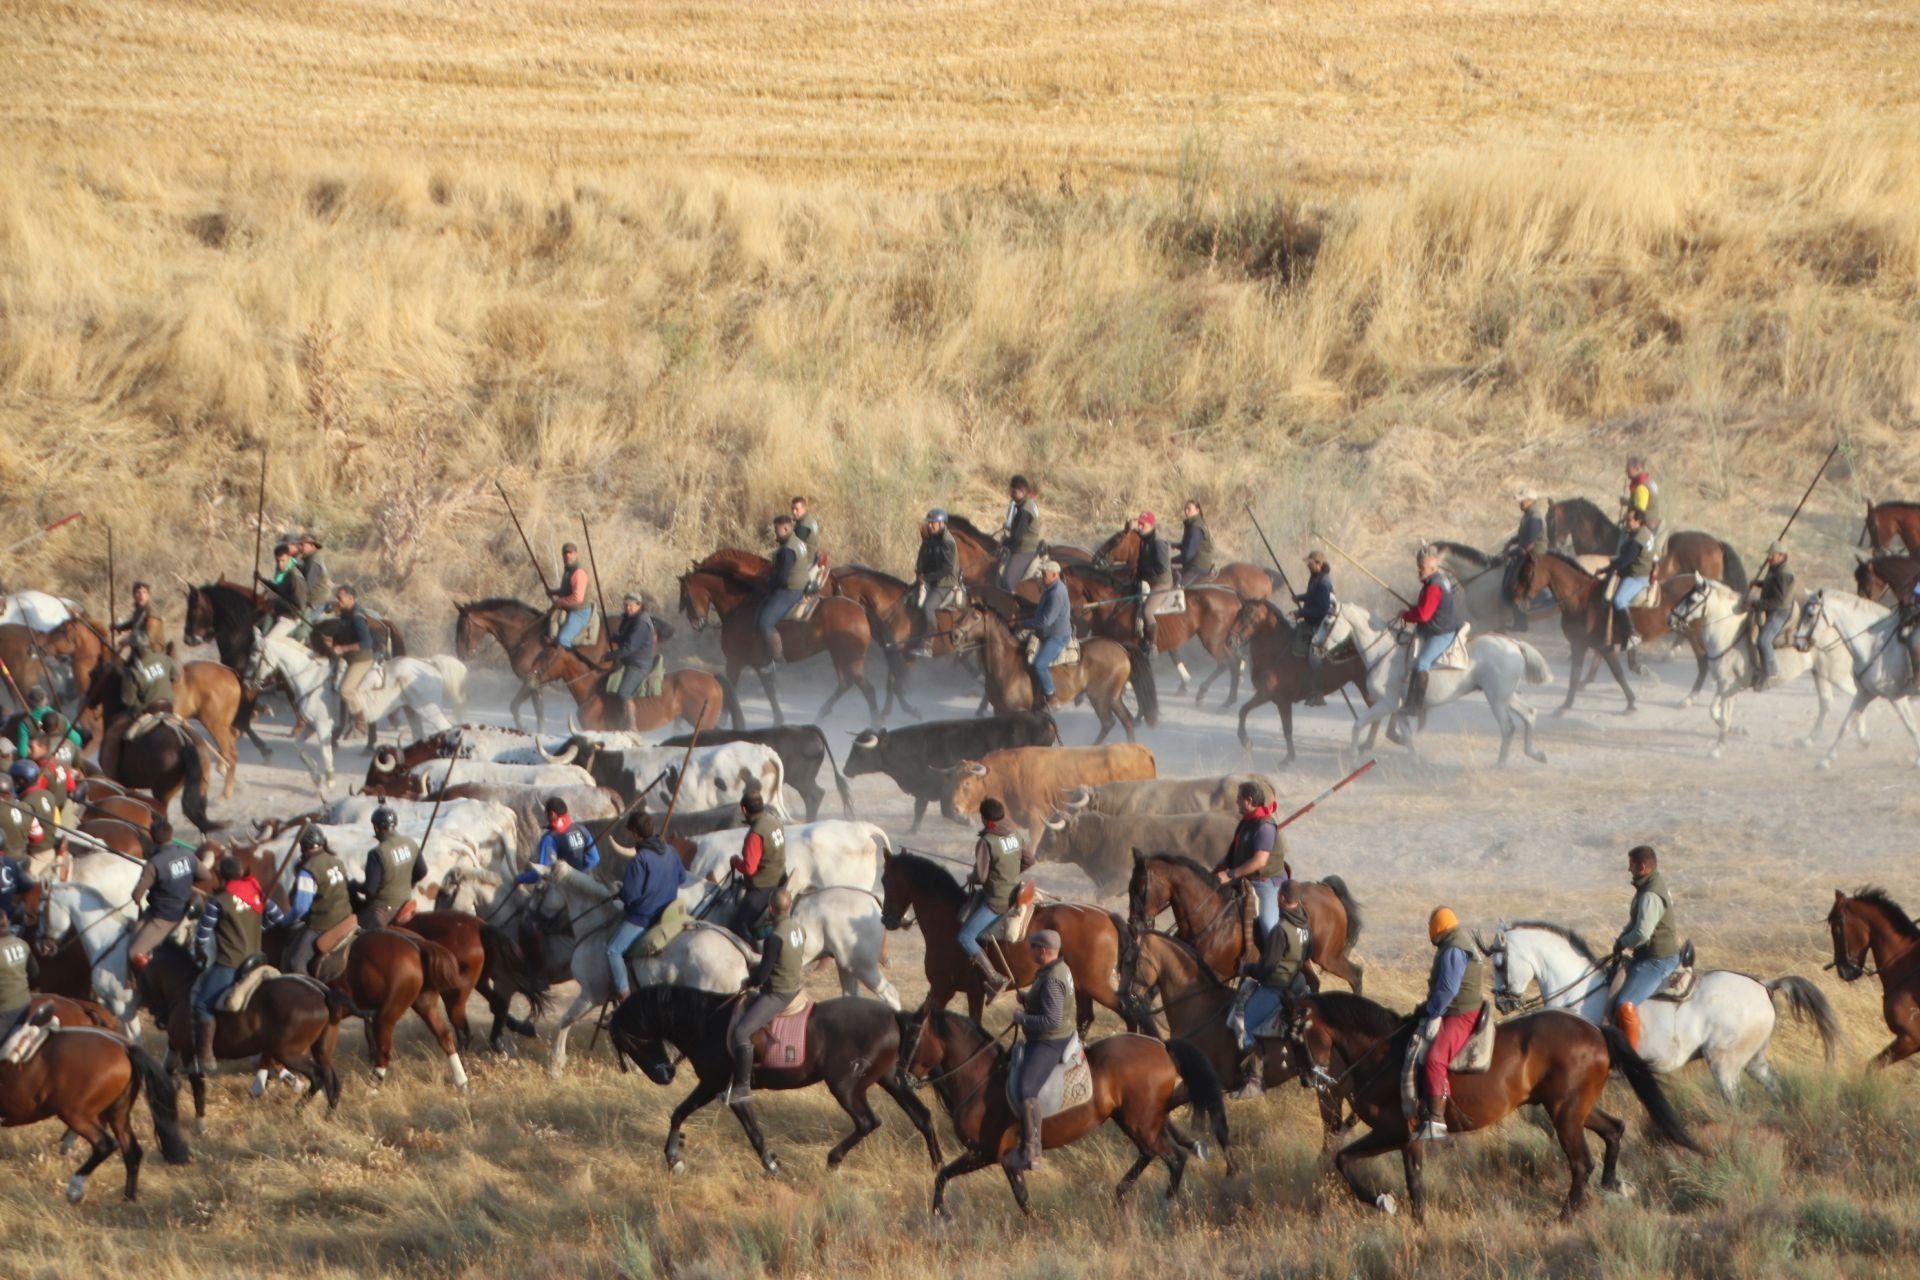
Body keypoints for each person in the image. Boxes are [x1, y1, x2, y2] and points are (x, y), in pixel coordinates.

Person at [192, 853, 286, 1075]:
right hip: (256, 960)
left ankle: (206, 1056)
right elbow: (278, 916)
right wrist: (259, 929)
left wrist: (199, 951)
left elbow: (202, 935)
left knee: (202, 1005)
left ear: (221, 876)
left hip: (230, 963)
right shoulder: (256, 894)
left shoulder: (219, 901)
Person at [1229, 877, 1311, 1099]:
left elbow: (1266, 969)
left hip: (1277, 988)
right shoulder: (1305, 924)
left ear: (1281, 898)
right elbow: (1308, 953)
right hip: (1297, 983)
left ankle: (1253, 1080)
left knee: (1243, 1024)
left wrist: (1247, 968)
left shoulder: (1280, 930)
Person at [726, 885, 807, 1106]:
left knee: (741, 1032)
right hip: (795, 985)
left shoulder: (774, 938)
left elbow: (762, 976)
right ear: (790, 906)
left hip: (778, 994)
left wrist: (748, 981)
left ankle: (742, 1088)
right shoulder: (798, 928)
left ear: (770, 909)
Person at [1005, 928, 1074, 1171]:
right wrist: (1029, 999)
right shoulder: (1057, 968)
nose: (1030, 951)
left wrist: (1022, 1018)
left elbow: (1051, 1020)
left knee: (1027, 1088)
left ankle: (1032, 1151)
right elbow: (1048, 1002)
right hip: (1055, 1034)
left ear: (1043, 951)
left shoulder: (1052, 979)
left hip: (1050, 1040)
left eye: (1033, 947)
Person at [1415, 906, 1484, 1141]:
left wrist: (1431, 1011)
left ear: (1437, 926)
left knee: (1435, 1059)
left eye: (1430, 925)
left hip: (1461, 1013)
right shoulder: (1457, 940)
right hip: (1459, 1008)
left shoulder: (1453, 948)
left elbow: (1447, 990)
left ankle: (1436, 1120)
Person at [606, 811, 687, 1004]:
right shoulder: (671, 851)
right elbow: (682, 878)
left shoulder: (639, 860)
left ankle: (625, 996)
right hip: (669, 912)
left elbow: (630, 896)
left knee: (613, 950)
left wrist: (621, 893)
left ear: (635, 834)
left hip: (644, 917)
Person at [956, 797, 1031, 997]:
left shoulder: (986, 842)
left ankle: (995, 977)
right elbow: (1030, 859)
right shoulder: (1015, 834)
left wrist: (972, 877)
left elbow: (981, 877)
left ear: (983, 818)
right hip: (1016, 891)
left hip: (997, 901)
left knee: (965, 937)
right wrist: (1011, 872)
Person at [1610, 845, 1680, 1054]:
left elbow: (1642, 933)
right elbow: (1637, 922)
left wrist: (1623, 943)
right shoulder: (1651, 884)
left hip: (1657, 959)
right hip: (1651, 955)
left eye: (1631, 865)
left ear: (1642, 867)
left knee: (1625, 1003)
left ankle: (1630, 1058)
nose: (1628, 869)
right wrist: (1622, 937)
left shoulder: (1650, 894)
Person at [1212, 780, 1283, 941]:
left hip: (1265, 881)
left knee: (1268, 924)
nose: (1236, 801)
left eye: (1239, 798)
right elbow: (1236, 853)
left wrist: (1230, 875)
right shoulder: (1247, 821)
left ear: (1249, 800)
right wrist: (1216, 871)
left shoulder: (1264, 827)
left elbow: (1259, 861)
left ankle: (1277, 954)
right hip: (1244, 877)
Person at [125, 820, 197, 971]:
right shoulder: (188, 855)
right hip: (179, 908)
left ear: (152, 839)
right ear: (171, 835)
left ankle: (148, 978)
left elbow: (137, 896)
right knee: (132, 932)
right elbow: (205, 875)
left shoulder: (155, 863)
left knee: (133, 953)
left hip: (165, 916)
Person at [1398, 544, 1460, 717]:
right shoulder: (1438, 579)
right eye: (1418, 566)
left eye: (1422, 567)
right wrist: (1415, 608)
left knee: (1422, 663)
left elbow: (1424, 615)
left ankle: (1415, 706)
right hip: (1439, 627)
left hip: (1441, 632)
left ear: (1433, 567)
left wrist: (1406, 615)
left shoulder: (1433, 586)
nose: (1419, 570)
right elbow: (1428, 607)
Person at [285, 826, 353, 976]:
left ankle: (309, 988)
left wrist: (286, 921)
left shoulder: (308, 870)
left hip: (323, 923)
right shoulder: (337, 861)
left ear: (303, 846)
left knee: (296, 962)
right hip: (344, 916)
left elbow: (301, 907)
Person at [727, 789, 785, 936]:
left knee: (737, 925)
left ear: (743, 809)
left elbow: (749, 868)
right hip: (781, 876)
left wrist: (735, 861)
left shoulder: (755, 834)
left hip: (764, 886)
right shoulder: (774, 820)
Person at [357, 806, 424, 929]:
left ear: (376, 827)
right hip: (406, 902)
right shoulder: (410, 843)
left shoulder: (376, 853)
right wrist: (407, 884)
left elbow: (370, 890)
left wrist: (355, 886)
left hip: (384, 910)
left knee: (357, 932)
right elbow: (422, 871)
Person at [757, 515, 810, 666]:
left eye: (777, 530)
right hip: (803, 584)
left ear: (786, 529)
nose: (775, 533)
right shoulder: (798, 541)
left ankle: (779, 658)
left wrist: (768, 584)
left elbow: (781, 578)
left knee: (765, 622)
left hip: (792, 590)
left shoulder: (787, 550)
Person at [516, 797, 602, 890]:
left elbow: (542, 872)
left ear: (552, 814)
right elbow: (594, 859)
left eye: (547, 813)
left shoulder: (550, 838)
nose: (546, 817)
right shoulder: (581, 829)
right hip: (581, 886)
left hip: (562, 890)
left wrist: (520, 879)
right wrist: (578, 875)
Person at [1602, 508, 1656, 651]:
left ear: (1638, 521)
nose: (1626, 522)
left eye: (1629, 520)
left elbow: (1626, 560)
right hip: (1635, 570)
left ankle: (1633, 633)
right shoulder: (1643, 532)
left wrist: (1608, 569)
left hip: (1637, 576)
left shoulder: (1639, 538)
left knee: (1619, 600)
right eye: (1626, 519)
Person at [326, 584, 376, 738]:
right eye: (337, 598)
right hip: (347, 658)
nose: (337, 601)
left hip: (360, 659)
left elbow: (366, 642)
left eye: (340, 598)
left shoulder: (357, 617)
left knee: (346, 690)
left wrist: (342, 648)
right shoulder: (346, 613)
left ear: (350, 598)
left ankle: (360, 721)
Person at [910, 509, 961, 657]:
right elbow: (928, 560)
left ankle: (927, 645)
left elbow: (946, 569)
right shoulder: (932, 539)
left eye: (933, 523)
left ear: (942, 523)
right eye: (929, 523)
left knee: (928, 607)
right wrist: (921, 572)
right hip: (932, 579)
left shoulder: (947, 542)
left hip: (945, 583)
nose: (930, 525)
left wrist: (927, 577)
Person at [1023, 560, 1072, 710]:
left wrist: (1023, 624)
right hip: (1047, 632)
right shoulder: (1050, 588)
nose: (1042, 577)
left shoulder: (1056, 593)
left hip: (1057, 636)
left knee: (1039, 665)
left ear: (1054, 575)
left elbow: (1045, 622)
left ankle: (1051, 696)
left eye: (1044, 574)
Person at [606, 593, 659, 730]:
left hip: (639, 663)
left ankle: (631, 726)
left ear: (639, 605)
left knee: (624, 692)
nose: (628, 608)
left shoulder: (641, 623)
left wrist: (612, 656)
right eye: (626, 605)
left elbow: (630, 647)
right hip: (630, 660)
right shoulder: (632, 619)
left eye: (631, 605)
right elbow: (626, 638)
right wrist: (615, 638)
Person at [1747, 541, 1795, 691]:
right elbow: (1773, 584)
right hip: (1772, 608)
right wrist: (1760, 583)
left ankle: (1770, 672)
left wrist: (1756, 604)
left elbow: (1778, 600)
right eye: (1769, 554)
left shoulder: (1784, 574)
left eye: (1772, 555)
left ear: (1782, 556)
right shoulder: (1775, 568)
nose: (1769, 557)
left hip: (1780, 611)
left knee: (1763, 640)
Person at [1501, 490, 1545, 630]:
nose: (1520, 502)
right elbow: (1523, 536)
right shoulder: (1528, 515)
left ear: (1531, 500)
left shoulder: (1534, 517)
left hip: (1534, 555)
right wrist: (1510, 542)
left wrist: (1511, 553)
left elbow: (1529, 545)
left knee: (1516, 584)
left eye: (1523, 500)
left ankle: (1521, 622)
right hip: (1527, 552)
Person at [1296, 551, 1335, 706]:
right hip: (1312, 621)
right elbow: (1312, 596)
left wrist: (1301, 613)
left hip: (1321, 624)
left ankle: (1319, 693)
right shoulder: (1315, 578)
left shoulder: (1324, 582)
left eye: (1310, 563)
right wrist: (1300, 598)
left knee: (1314, 656)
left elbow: (1322, 610)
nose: (1308, 565)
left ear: (1319, 564)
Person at [1133, 512, 1172, 649]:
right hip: (1148, 580)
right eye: (1139, 523)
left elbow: (1162, 567)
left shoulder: (1158, 542)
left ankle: (1153, 645)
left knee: (1147, 611)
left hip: (1161, 582)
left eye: (1143, 524)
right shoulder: (1143, 538)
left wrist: (1144, 571)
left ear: (1151, 525)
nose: (1139, 526)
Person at [997, 475, 1044, 590]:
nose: (1011, 495)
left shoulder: (1024, 511)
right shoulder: (1028, 503)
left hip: (1024, 549)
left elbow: (1017, 538)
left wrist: (1005, 544)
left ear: (1022, 491)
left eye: (1014, 492)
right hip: (1027, 545)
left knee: (1006, 581)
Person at [257, 543, 309, 642]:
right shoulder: (284, 574)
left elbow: (299, 606)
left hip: (289, 619)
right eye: (278, 561)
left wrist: (278, 600)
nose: (280, 564)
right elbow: (277, 589)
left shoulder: (295, 577)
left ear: (289, 558)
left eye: (283, 561)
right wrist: (261, 580)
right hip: (278, 613)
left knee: (268, 642)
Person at [548, 543, 594, 652]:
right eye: (565, 553)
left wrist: (559, 602)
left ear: (576, 554)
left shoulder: (578, 572)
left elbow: (577, 598)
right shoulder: (568, 570)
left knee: (563, 639)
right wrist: (553, 592)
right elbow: (566, 590)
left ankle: (569, 660)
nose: (568, 555)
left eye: (570, 553)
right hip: (569, 608)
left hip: (580, 611)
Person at [0, 910, 36, 1042]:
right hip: (27, 1003)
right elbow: (34, 974)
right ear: (8, 923)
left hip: (6, 1012)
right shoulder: (23, 944)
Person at [121, 645, 179, 718]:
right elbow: (176, 676)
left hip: (146, 713)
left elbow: (129, 701)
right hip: (169, 708)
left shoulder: (132, 671)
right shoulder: (164, 658)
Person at [110, 581, 164, 658]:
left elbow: (147, 638)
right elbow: (133, 623)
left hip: (153, 654)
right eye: (138, 592)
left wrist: (128, 640)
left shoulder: (152, 614)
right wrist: (118, 627)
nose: (141, 595)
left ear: (148, 596)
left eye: (144, 592)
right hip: (138, 651)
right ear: (134, 595)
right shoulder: (139, 611)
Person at [1174, 500, 1215, 586]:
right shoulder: (1194, 523)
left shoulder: (1196, 527)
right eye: (1185, 509)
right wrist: (1175, 545)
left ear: (1197, 510)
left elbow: (1188, 554)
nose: (1186, 511)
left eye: (1189, 509)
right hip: (1196, 564)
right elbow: (1190, 545)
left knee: (1176, 588)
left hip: (1198, 566)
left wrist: (1171, 560)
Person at [296, 532, 333, 623]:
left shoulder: (313, 561)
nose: (300, 547)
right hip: (316, 600)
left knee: (301, 625)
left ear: (312, 545)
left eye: (302, 544)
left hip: (316, 601)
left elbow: (308, 585)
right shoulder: (312, 558)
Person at [1621, 457, 1661, 531]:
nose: (1626, 472)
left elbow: (1640, 510)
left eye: (1628, 470)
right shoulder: (1650, 481)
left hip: (1646, 526)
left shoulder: (1641, 487)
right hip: (1655, 521)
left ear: (1637, 468)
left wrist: (1635, 522)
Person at [790, 497, 820, 563]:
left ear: (804, 509)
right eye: (792, 509)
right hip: (812, 557)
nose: (794, 512)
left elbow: (794, 549)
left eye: (797, 509)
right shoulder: (810, 520)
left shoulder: (803, 526)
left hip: (805, 562)